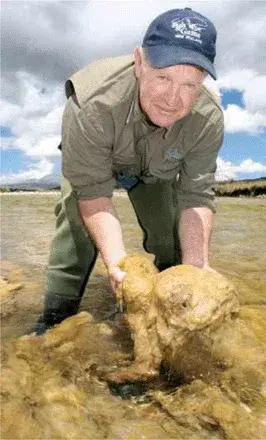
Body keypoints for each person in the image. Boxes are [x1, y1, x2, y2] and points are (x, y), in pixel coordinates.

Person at [33, 7, 224, 335]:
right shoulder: (91, 103)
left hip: (153, 174)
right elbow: (93, 192)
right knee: (76, 237)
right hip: (94, 166)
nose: (172, 98)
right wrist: (118, 266)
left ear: (202, 82)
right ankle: (54, 320)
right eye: (163, 76)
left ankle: (167, 326)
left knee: (172, 242)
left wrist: (196, 269)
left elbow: (195, 195)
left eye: (189, 85)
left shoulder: (207, 120)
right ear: (139, 62)